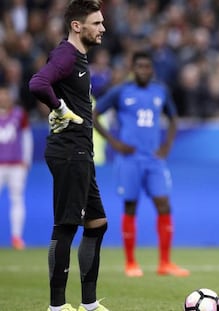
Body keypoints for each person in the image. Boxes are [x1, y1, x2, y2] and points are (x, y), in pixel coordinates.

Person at [29, 1, 109, 310]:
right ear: (77, 26)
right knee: (66, 225)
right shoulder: (65, 55)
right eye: (97, 22)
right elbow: (37, 82)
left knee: (97, 223)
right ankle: (57, 306)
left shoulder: (78, 57)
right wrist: (60, 108)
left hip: (80, 151)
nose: (103, 28)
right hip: (68, 151)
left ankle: (88, 303)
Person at [93, 51, 190, 278]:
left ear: (152, 69)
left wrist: (166, 146)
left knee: (164, 204)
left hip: (154, 160)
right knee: (130, 207)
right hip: (130, 160)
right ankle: (130, 262)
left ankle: (165, 263)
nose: (144, 70)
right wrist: (114, 142)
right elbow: (95, 114)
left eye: (147, 67)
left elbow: (173, 118)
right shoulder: (120, 91)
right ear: (132, 69)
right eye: (139, 67)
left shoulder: (160, 91)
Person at [0, 84, 33, 250]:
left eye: (6, 95)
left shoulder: (20, 114)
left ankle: (16, 237)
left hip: (15, 165)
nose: (4, 98)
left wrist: (26, 160)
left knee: (17, 200)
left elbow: (27, 137)